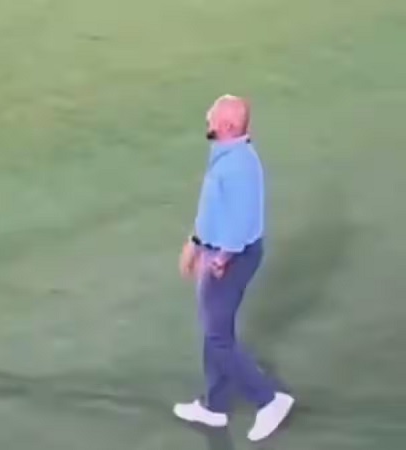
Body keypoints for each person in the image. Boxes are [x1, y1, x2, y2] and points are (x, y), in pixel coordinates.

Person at [174, 95, 294, 442]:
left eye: (212, 115)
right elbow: (214, 209)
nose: (207, 118)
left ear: (226, 126)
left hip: (230, 259)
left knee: (218, 338)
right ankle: (215, 406)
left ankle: (268, 400)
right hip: (218, 250)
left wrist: (221, 258)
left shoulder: (236, 166)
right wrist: (195, 242)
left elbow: (240, 221)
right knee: (215, 331)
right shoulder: (228, 154)